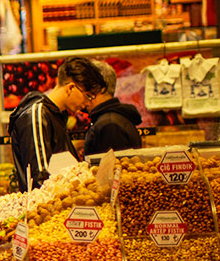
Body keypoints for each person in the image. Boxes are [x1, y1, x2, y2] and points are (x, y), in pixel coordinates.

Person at [8, 57, 106, 190]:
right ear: (71, 88)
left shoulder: (57, 115)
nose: (88, 103)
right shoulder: (37, 115)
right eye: (88, 96)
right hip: (45, 207)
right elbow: (40, 179)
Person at [84, 60, 142, 156]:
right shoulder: (112, 119)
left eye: (84, 86)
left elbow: (114, 169)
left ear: (100, 87)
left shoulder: (109, 125)